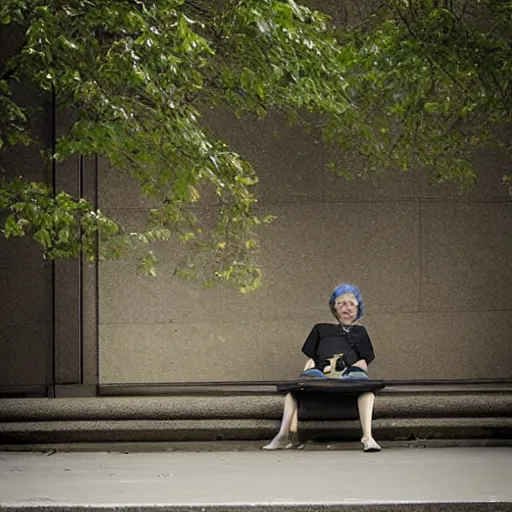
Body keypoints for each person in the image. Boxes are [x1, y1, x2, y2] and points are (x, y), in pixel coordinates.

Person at [262, 283, 382, 452]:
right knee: (294, 390)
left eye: (351, 304)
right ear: (335, 308)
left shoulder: (360, 332)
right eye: (342, 304)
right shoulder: (320, 329)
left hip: (348, 378)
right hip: (321, 376)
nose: (347, 308)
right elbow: (311, 359)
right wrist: (305, 375)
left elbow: (363, 361)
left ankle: (368, 437)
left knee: (366, 390)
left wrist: (350, 374)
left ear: (358, 308)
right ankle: (283, 435)